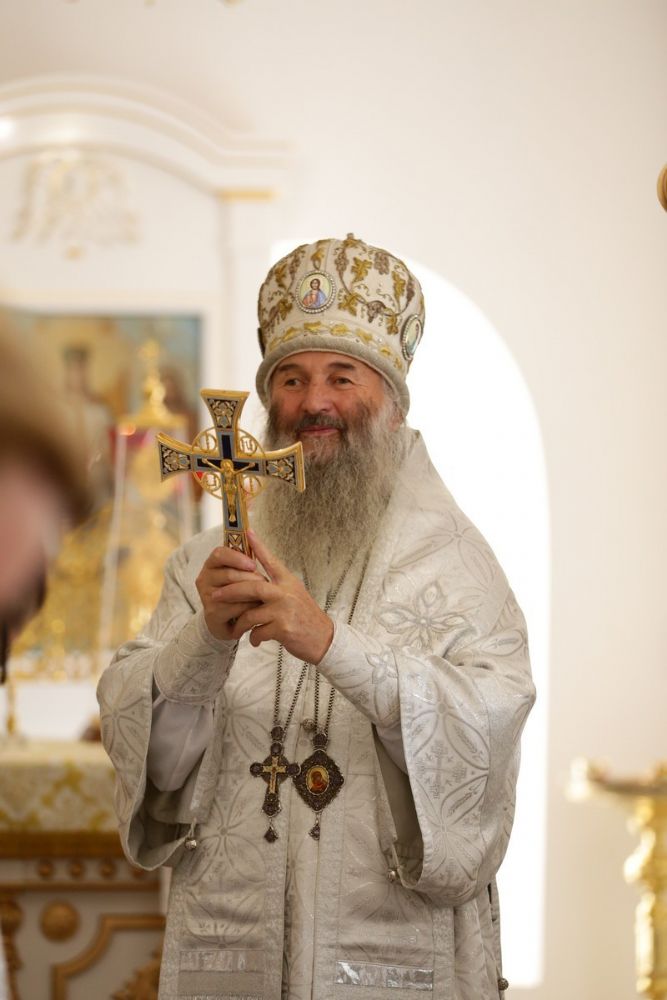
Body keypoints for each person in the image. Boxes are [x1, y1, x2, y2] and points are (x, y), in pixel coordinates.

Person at [97, 234, 535, 1000]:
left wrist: (331, 645)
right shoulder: (205, 562)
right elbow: (151, 758)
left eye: (342, 376)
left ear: (391, 402)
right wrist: (204, 641)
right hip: (233, 940)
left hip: (390, 948)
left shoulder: (453, 562)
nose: (313, 403)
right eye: (291, 379)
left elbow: (488, 726)